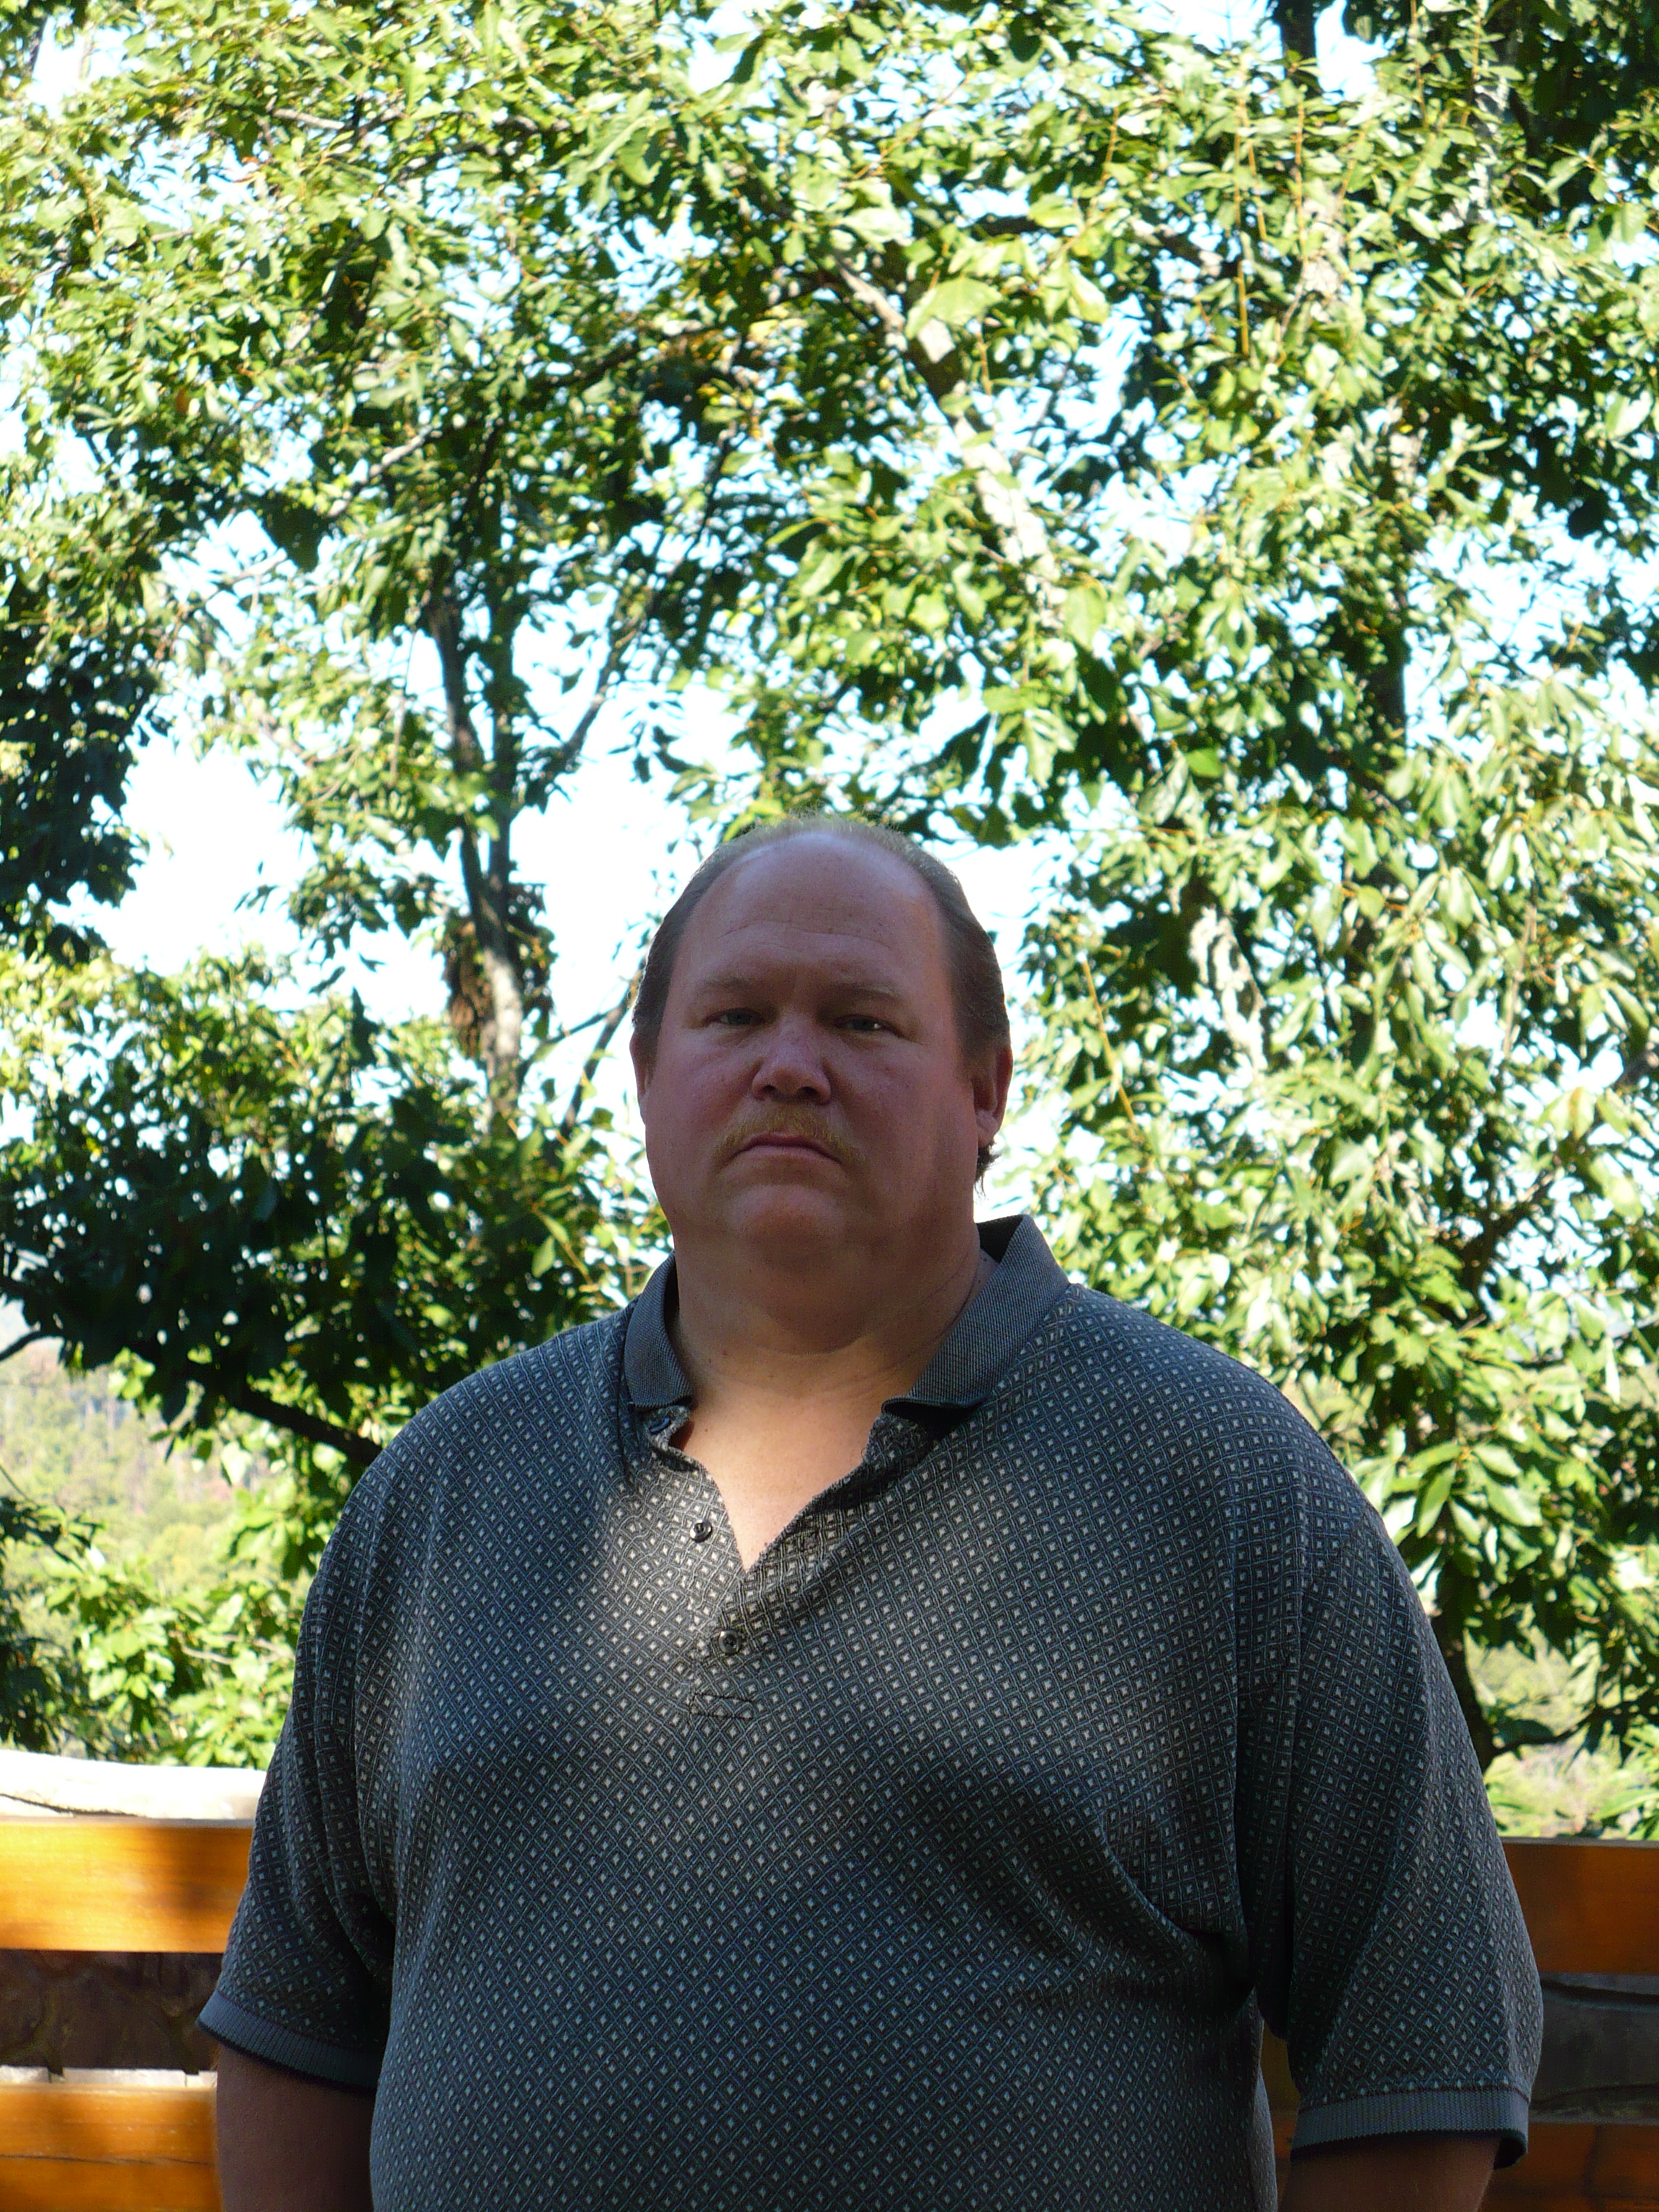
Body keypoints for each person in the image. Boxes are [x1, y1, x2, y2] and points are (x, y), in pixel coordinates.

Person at [203, 815, 1541, 2212]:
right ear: (648, 1076)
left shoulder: (1222, 1485)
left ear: (985, 1089)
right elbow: (302, 2023)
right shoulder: (444, 1493)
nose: (790, 1064)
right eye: (734, 1016)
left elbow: (1421, 2041)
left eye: (861, 1020)